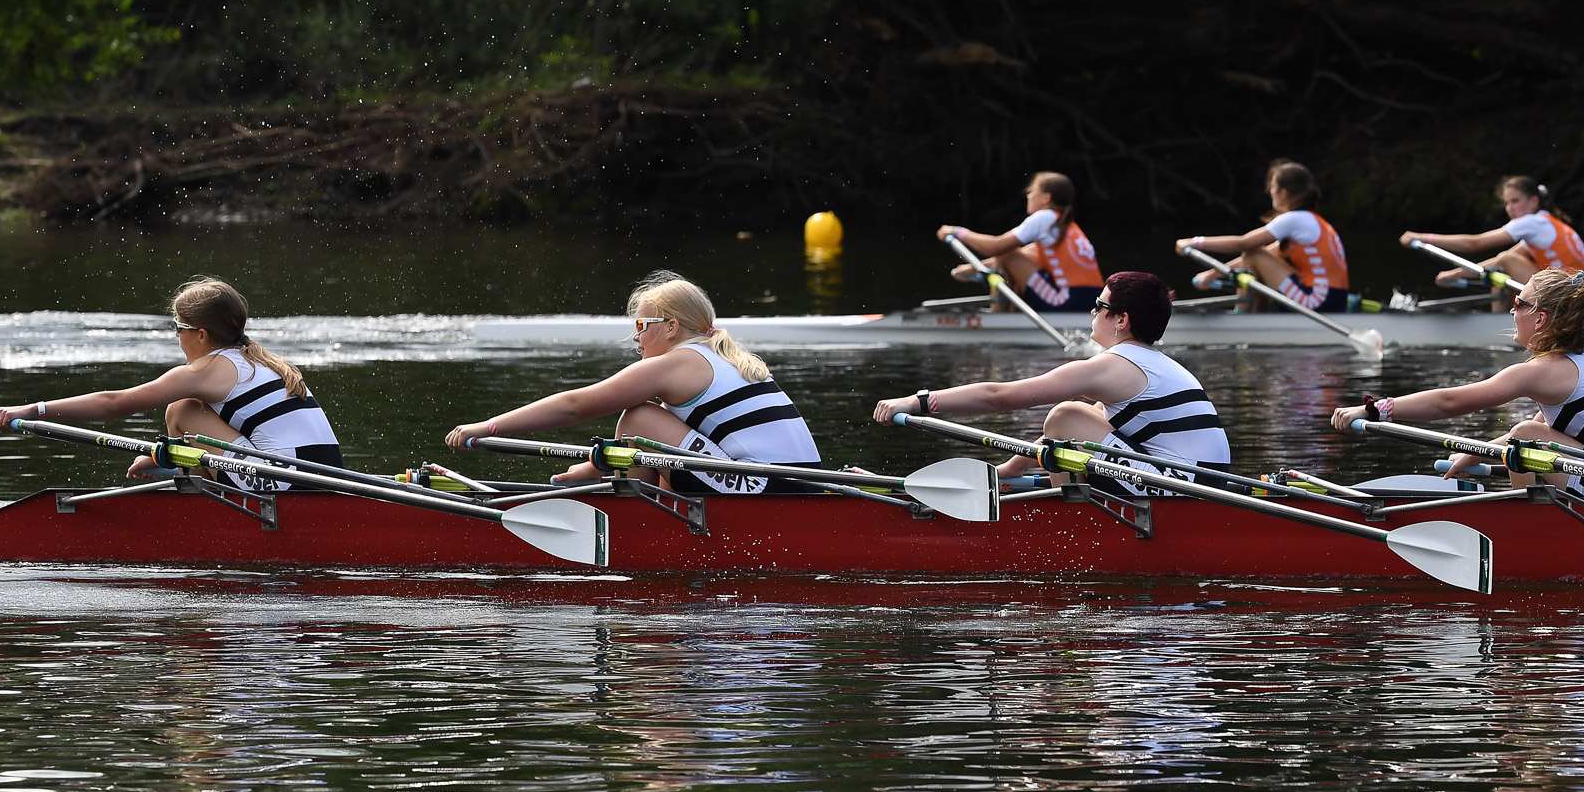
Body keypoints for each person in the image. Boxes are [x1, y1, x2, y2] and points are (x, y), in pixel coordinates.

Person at [445, 271, 822, 493]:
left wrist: (489, 427)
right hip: (804, 486)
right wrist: (596, 466)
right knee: (654, 422)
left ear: (672, 328)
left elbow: (576, 405)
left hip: (764, 489)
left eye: (642, 326)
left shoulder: (677, 364)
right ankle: (630, 495)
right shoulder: (723, 356)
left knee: (639, 417)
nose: (635, 339)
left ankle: (632, 514)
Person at [1328, 267, 1584, 499]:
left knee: (1526, 435)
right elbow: (1550, 429)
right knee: (1525, 433)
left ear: (1540, 319)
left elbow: (1450, 403)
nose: (1511, 312)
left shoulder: (1542, 370)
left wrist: (1372, 410)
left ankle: (1527, 525)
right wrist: (1476, 450)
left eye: (1518, 304)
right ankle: (1536, 515)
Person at [872, 271, 1231, 491]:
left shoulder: (1112, 366)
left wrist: (917, 402)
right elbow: (1090, 434)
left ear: (1121, 320)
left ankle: (1072, 525)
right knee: (1077, 417)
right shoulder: (1153, 364)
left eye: (1099, 305)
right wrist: (1015, 468)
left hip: (1186, 490)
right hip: (1202, 483)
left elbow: (998, 397)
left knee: (1064, 415)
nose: (1092, 312)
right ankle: (1063, 499)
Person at [0, 277, 343, 490]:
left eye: (179, 328)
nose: (177, 337)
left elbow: (115, 403)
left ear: (201, 334)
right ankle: (175, 462)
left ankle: (187, 480)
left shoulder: (205, 371)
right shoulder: (261, 360)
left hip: (287, 483)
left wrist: (36, 409)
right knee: (191, 411)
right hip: (328, 476)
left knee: (182, 408)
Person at [1175, 159, 1357, 312]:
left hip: (1317, 301)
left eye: (1272, 187)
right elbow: (1266, 256)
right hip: (1334, 300)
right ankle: (1253, 316)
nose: (1269, 191)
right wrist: (1212, 275)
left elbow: (1243, 244)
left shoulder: (1294, 219)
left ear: (1283, 193)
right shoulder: (1312, 222)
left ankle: (1243, 318)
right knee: (1256, 256)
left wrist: (1194, 242)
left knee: (1252, 253)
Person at [1399, 175, 1584, 310]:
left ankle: (1498, 323)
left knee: (1506, 261)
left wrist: (1422, 237)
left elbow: (1475, 244)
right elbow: (1499, 260)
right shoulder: (1544, 224)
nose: (1510, 208)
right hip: (1576, 292)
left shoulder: (1532, 223)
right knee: (1503, 263)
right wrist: (1454, 274)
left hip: (1566, 295)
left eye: (1515, 201)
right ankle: (1504, 319)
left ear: (1533, 201)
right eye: (1507, 203)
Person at [937, 171, 1104, 313]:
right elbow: (1017, 255)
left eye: (1032, 191)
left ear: (1046, 198)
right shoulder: (1066, 226)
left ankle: (998, 321)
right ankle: (1004, 313)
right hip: (1092, 301)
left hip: (1067, 301)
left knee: (1007, 255)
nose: (1028, 195)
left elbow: (995, 247)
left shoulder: (1044, 217)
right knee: (1010, 255)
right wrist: (974, 269)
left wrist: (957, 231)